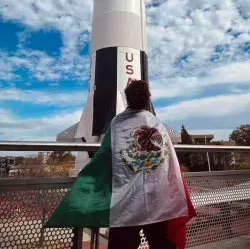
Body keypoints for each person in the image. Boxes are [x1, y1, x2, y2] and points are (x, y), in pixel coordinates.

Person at [45, 80, 196, 249]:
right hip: (157, 199)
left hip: (126, 201)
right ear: (148, 99)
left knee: (122, 243)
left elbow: (105, 156)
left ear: (127, 98)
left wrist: (88, 180)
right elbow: (169, 163)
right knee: (160, 240)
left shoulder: (117, 124)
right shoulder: (157, 124)